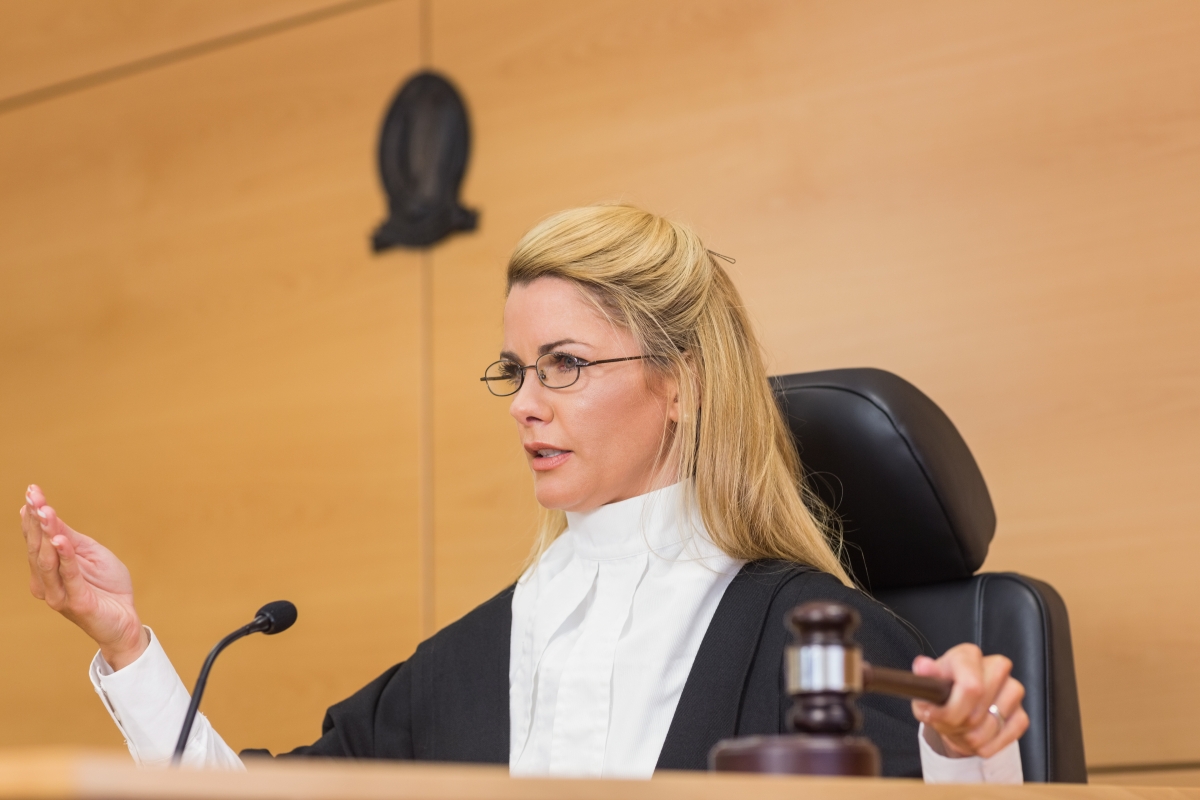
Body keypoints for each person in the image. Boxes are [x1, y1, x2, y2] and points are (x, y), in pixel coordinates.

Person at [20, 204, 1028, 782]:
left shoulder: (824, 641)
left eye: (566, 364)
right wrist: (126, 641)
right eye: (515, 370)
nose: (525, 405)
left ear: (682, 382)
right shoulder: (466, 660)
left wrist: (961, 748)